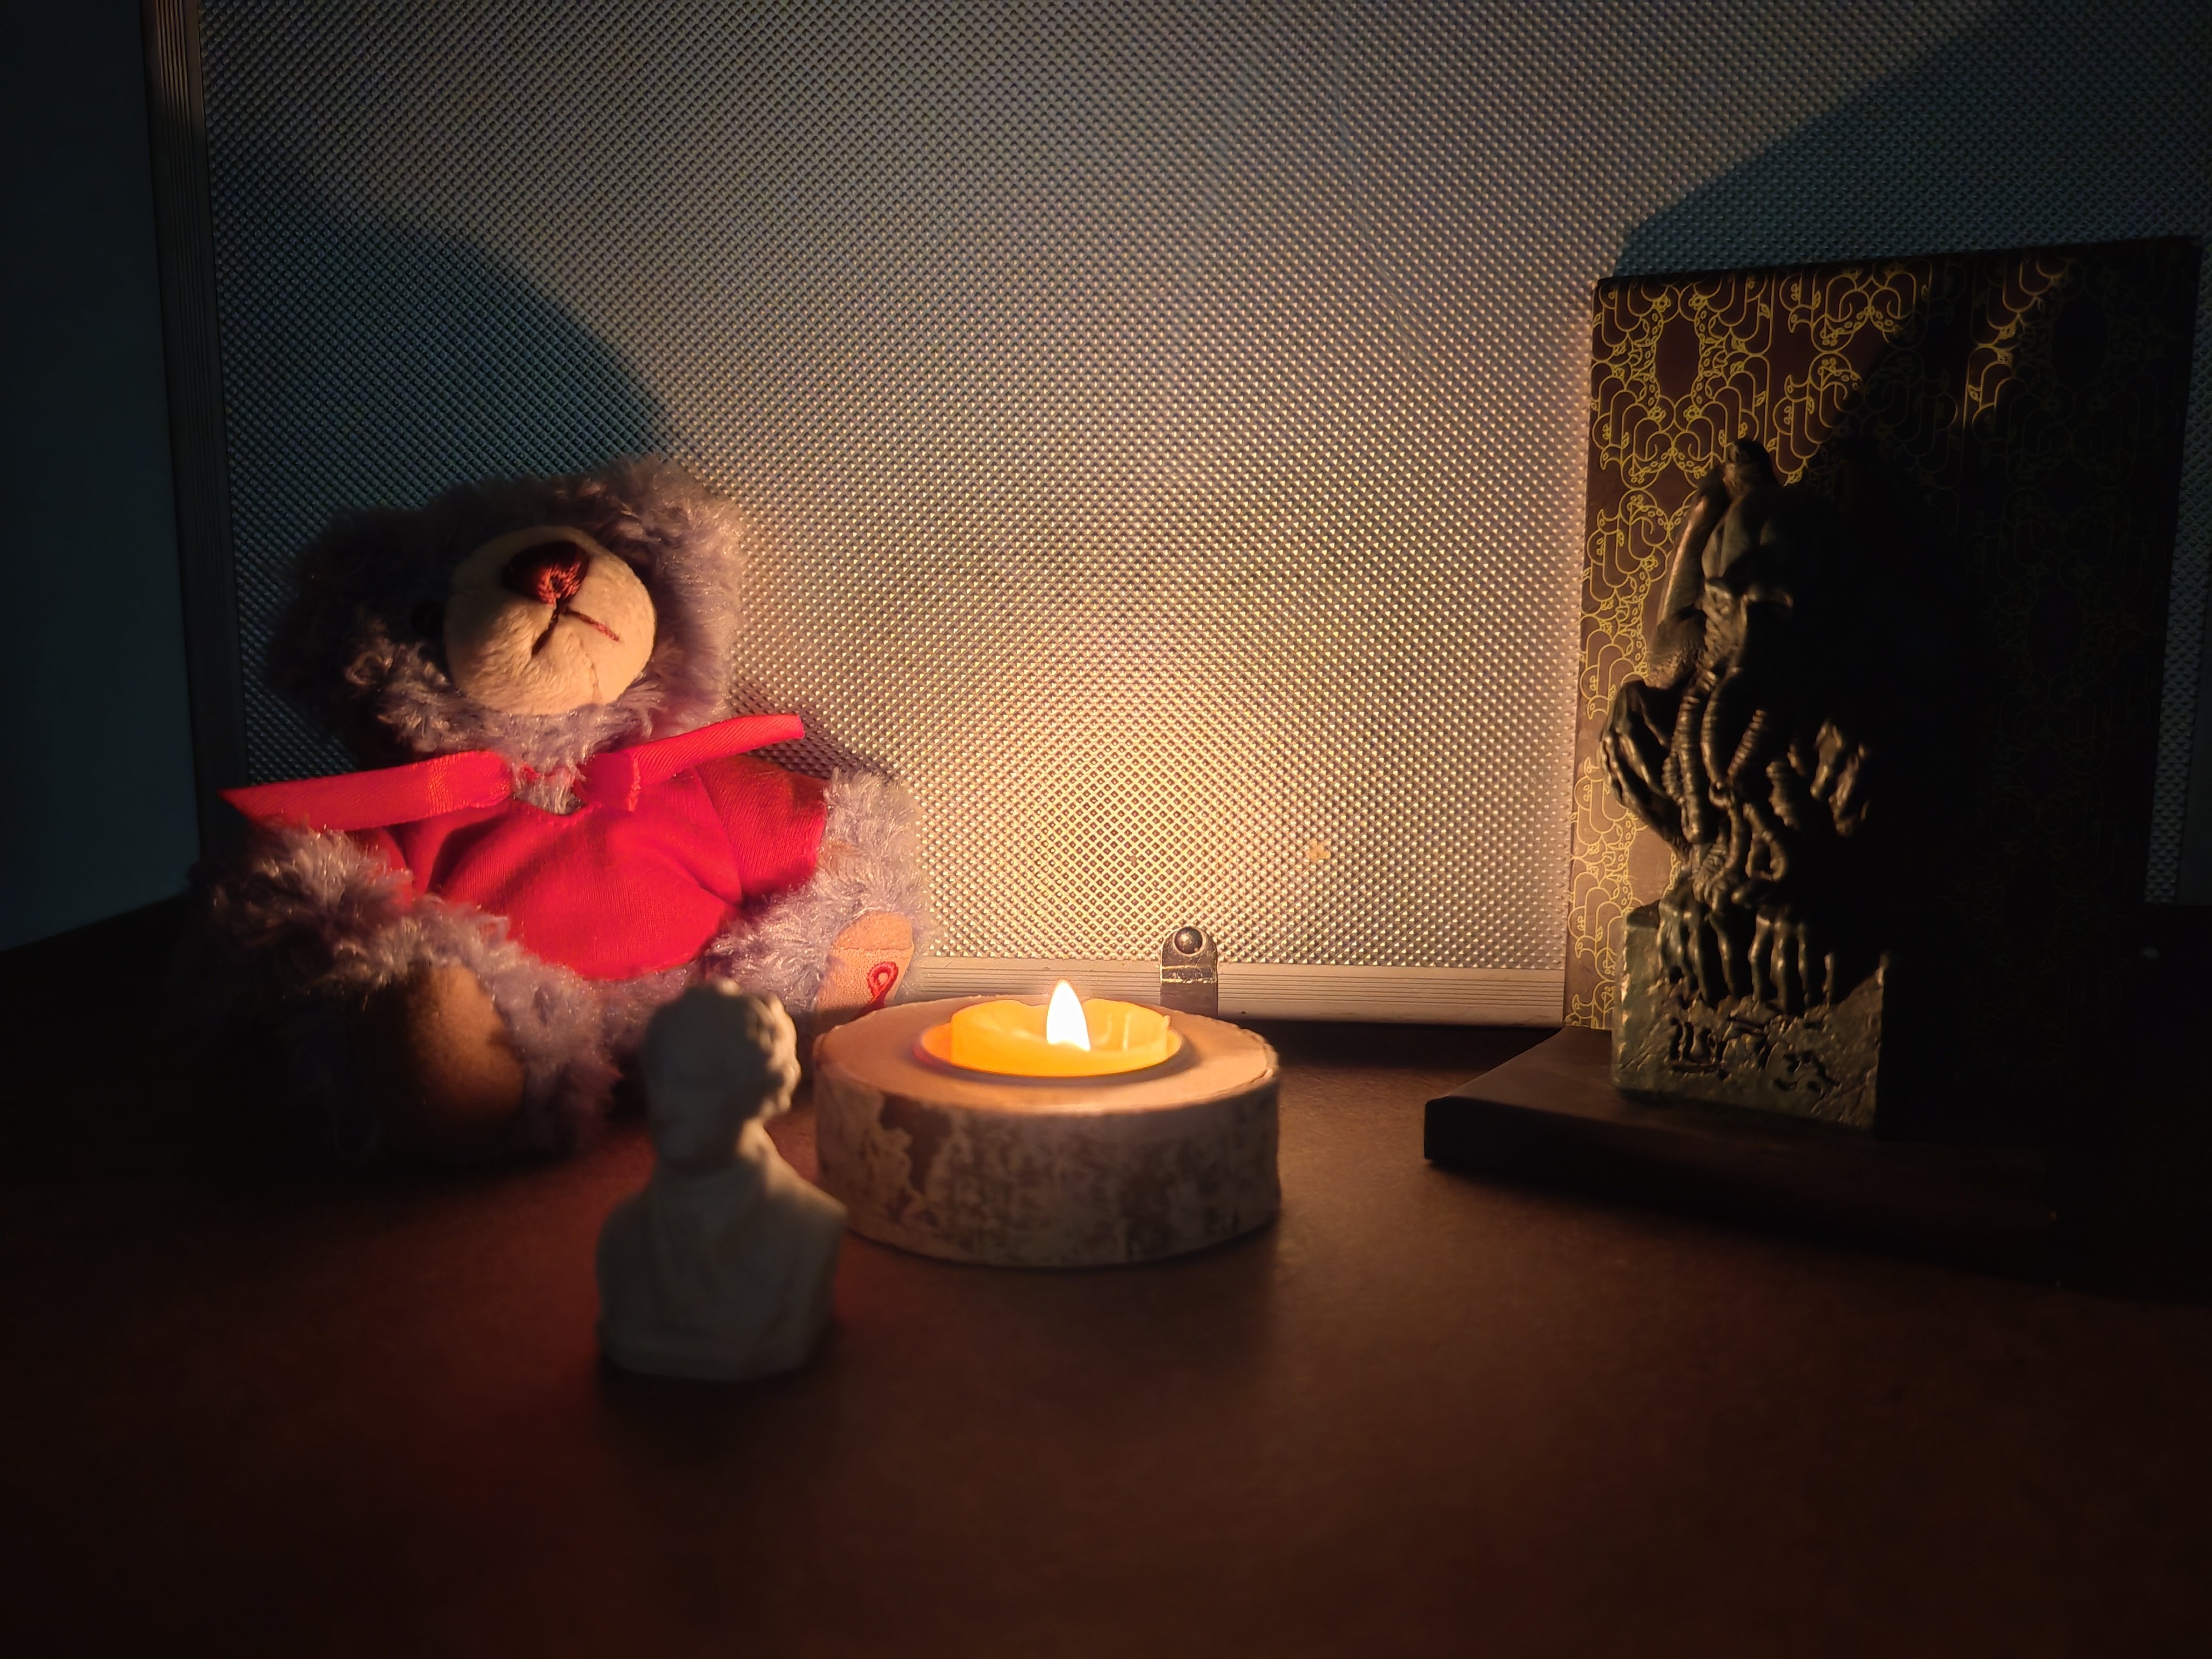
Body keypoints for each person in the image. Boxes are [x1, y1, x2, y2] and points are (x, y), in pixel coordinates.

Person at [596, 986, 845, 1380]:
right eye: (661, 1079)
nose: (669, 1105)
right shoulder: (621, 1235)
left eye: (699, 1084)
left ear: (759, 1092)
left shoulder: (810, 1230)